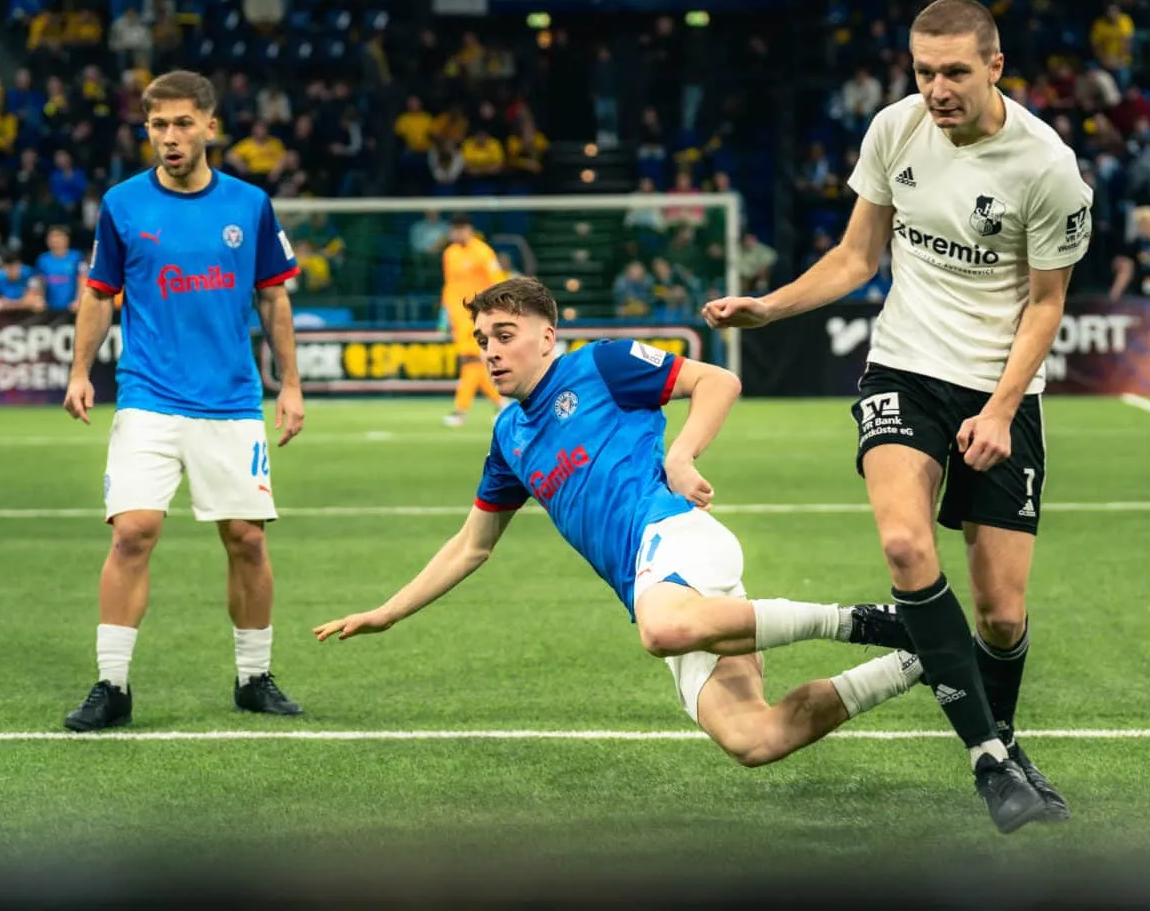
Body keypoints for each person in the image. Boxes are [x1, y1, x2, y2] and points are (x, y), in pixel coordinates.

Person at [702, 0, 1092, 833]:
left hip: (998, 387)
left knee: (1001, 613)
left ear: (995, 65)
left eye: (954, 71)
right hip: (905, 367)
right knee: (906, 543)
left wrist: (999, 409)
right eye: (923, 71)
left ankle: (1003, 738)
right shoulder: (894, 130)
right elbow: (857, 254)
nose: (937, 89)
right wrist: (769, 308)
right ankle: (989, 761)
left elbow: (1046, 305)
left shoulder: (1049, 167)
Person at [315, 277, 925, 765]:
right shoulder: (508, 436)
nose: (491, 351)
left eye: (505, 335)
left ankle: (867, 621)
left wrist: (681, 456)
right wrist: (388, 612)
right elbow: (472, 546)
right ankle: (922, 658)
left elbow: (718, 380)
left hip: (675, 536)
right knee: (754, 740)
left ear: (547, 336)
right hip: (657, 583)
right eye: (482, 340)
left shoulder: (600, 365)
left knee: (659, 630)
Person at [60, 69, 307, 732]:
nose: (170, 138)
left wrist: (290, 384)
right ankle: (112, 687)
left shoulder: (249, 205)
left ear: (210, 127)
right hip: (148, 395)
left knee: (247, 540)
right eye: (158, 126)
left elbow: (274, 298)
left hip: (230, 402)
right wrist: (81, 371)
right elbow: (98, 293)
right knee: (134, 532)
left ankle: (253, 678)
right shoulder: (122, 204)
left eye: (181, 124)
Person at [440, 213, 508, 427]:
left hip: (477, 316)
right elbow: (449, 285)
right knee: (473, 363)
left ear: (468, 230)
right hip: (457, 317)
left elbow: (498, 281)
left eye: (460, 229)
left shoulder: (483, 252)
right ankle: (501, 403)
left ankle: (460, 410)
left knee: (470, 361)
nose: (456, 233)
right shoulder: (449, 254)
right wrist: (443, 314)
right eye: (454, 230)